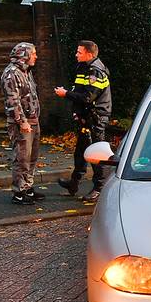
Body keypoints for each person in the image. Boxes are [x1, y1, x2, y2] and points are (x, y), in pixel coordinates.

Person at [54, 40, 113, 202]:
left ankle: (99, 189)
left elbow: (88, 97)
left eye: (79, 52)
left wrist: (65, 94)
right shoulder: (84, 68)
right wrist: (76, 113)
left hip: (96, 119)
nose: (76, 54)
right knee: (80, 153)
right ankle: (73, 184)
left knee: (97, 155)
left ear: (89, 54)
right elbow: (79, 92)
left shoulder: (95, 72)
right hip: (87, 118)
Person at [1, 42, 43, 205]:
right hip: (22, 123)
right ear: (24, 55)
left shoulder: (26, 72)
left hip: (33, 120)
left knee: (32, 157)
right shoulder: (11, 74)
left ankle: (28, 187)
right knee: (22, 158)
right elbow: (13, 101)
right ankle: (19, 192)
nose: (36, 56)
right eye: (33, 53)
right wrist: (22, 122)